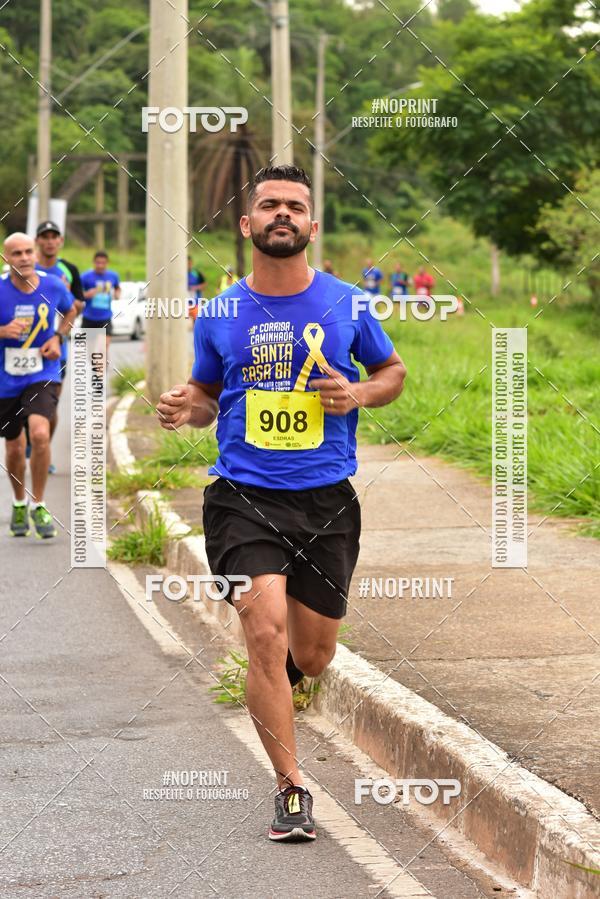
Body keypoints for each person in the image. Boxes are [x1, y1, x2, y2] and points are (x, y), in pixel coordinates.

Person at [157, 165, 406, 842]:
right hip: (242, 497)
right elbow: (207, 395)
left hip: (325, 500)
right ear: (248, 224)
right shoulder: (219, 313)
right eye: (269, 204)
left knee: (315, 655)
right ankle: (292, 787)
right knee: (263, 631)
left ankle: (276, 684)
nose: (282, 214)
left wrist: (357, 394)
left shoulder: (349, 304)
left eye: (295, 205)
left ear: (312, 226)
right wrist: (185, 405)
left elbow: (391, 372)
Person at [0, 233, 76, 538]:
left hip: (42, 371)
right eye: (16, 253)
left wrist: (58, 337)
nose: (24, 258)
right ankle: (19, 502)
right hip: (5, 380)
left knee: (40, 434)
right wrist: (2, 331)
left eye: (28, 251)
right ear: (6, 259)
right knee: (14, 446)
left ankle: (38, 504)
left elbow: (71, 310)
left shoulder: (53, 285)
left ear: (35, 254)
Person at [35, 220, 85, 472]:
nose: (50, 241)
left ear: (61, 241)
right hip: (20, 350)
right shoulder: (25, 267)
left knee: (49, 404)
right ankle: (28, 439)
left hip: (56, 348)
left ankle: (43, 449)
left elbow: (79, 306)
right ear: (38, 241)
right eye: (45, 237)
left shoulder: (69, 270)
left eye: (54, 237)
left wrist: (65, 295)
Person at [81, 250, 120, 359]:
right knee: (91, 354)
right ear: (93, 262)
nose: (100, 265)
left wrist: (117, 294)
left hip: (105, 318)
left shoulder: (113, 276)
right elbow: (77, 294)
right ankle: (99, 367)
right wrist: (87, 294)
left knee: (102, 348)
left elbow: (117, 288)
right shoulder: (85, 277)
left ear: (107, 263)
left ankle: (101, 369)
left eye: (103, 263)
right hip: (89, 318)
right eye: (98, 263)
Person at [187, 255, 206, 324]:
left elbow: (204, 285)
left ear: (191, 263)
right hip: (184, 302)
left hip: (196, 302)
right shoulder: (181, 274)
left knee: (196, 322)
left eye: (189, 263)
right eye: (187, 263)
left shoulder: (197, 273)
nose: (188, 265)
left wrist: (194, 288)